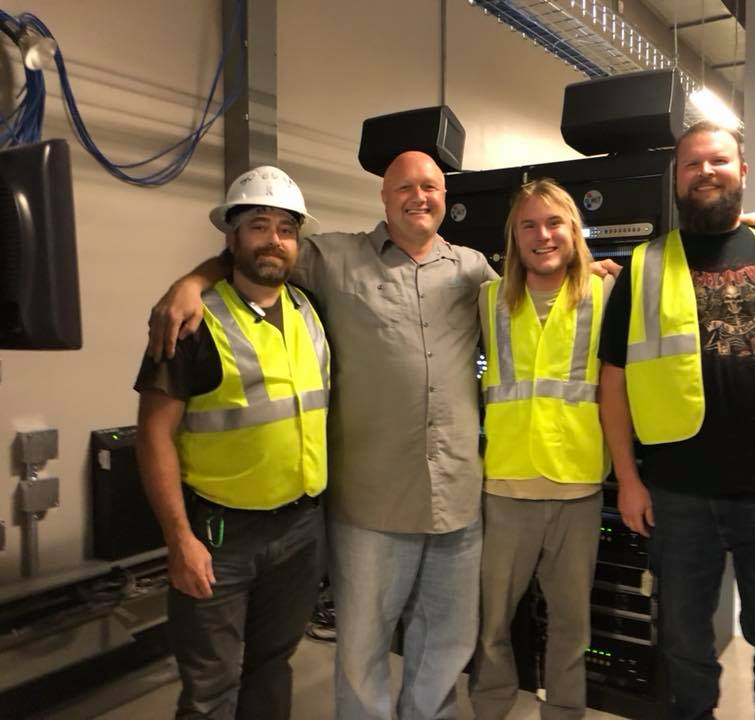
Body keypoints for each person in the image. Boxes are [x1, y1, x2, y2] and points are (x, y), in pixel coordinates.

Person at [147, 150, 499, 720]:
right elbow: (258, 258)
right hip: (364, 507)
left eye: (430, 186)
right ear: (383, 197)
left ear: (444, 197)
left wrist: (593, 275)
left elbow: (530, 303)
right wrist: (189, 282)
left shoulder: (473, 271)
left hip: (453, 500)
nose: (419, 196)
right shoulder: (334, 259)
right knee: (358, 655)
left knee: (442, 647)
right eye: (404, 187)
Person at [598, 121, 755, 720]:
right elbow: (614, 381)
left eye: (717, 161)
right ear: (677, 180)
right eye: (691, 164)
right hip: (678, 494)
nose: (705, 172)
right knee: (684, 646)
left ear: (742, 172)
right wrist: (628, 479)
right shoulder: (646, 265)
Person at [135, 166, 329, 720]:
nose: (274, 240)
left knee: (273, 664)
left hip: (300, 528)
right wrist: (179, 540)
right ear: (232, 236)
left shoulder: (311, 311)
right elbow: (153, 434)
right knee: (210, 686)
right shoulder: (191, 323)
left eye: (286, 229)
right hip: (220, 535)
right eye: (258, 226)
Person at [468, 179, 614, 720]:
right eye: (528, 225)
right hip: (505, 486)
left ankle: (565, 711)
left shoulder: (608, 294)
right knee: (492, 621)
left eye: (554, 223)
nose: (542, 235)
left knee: (572, 625)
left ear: (574, 230)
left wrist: (754, 223)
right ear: (514, 237)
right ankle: (490, 706)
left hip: (577, 485)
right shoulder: (487, 300)